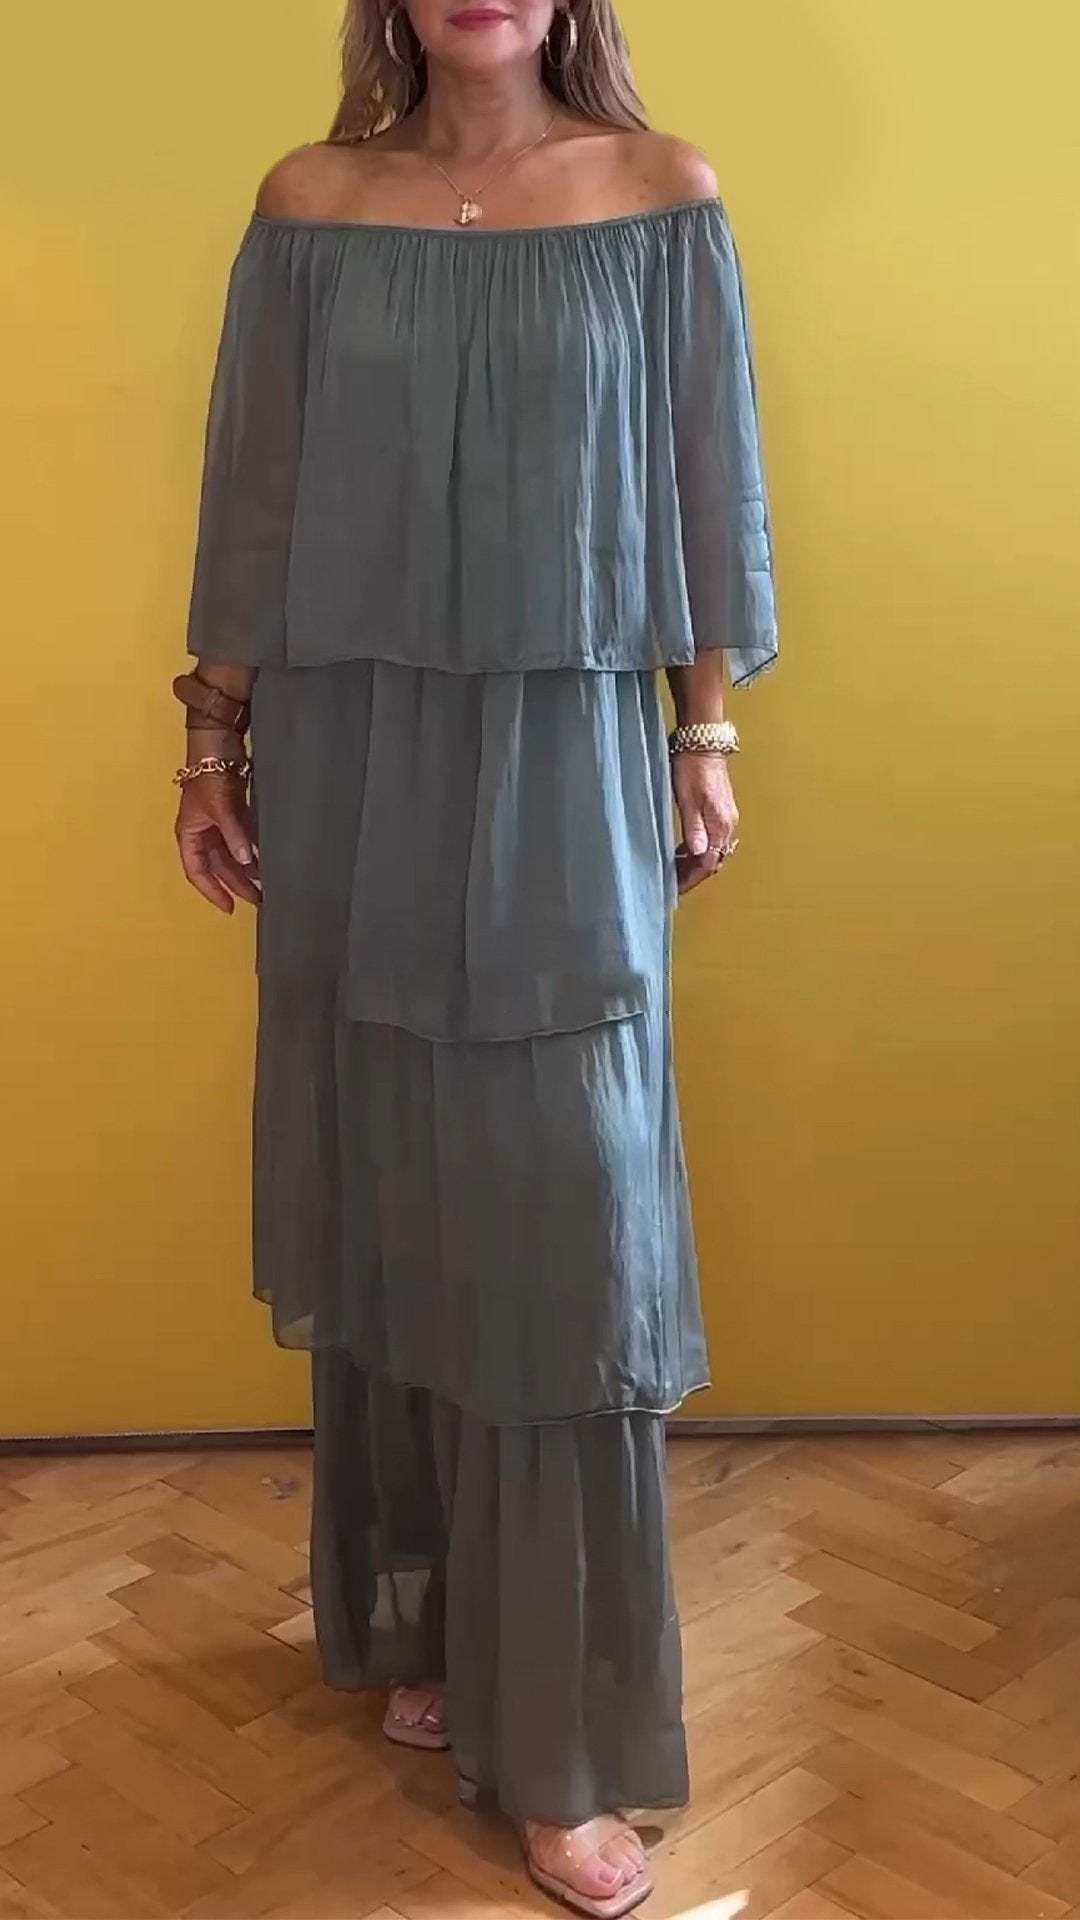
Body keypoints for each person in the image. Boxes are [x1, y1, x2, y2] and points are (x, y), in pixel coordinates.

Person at [173, 1, 779, 1912]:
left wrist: (703, 732)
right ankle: (436, 1621)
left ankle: (564, 1733)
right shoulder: (311, 201)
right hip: (353, 753)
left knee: (562, 1223)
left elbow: (709, 481)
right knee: (397, 1182)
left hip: (567, 749)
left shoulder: (658, 192)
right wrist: (210, 741)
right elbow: (257, 494)